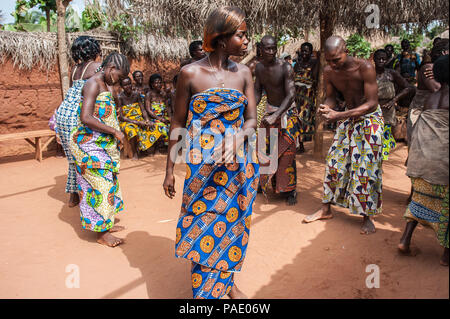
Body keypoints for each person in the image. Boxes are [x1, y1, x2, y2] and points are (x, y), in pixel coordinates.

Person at [163, 6, 258, 299]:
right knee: (201, 219)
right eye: (241, 36)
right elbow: (178, 123)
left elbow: (252, 120)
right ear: (220, 39)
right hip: (201, 166)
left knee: (232, 221)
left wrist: (237, 138)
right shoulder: (190, 73)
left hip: (238, 165)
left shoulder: (244, 73)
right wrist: (169, 170)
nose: (246, 41)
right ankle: (204, 292)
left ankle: (226, 283)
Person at [302, 36, 382, 235]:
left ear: (346, 51)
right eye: (328, 60)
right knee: (334, 162)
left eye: (336, 59)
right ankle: (326, 209)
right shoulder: (329, 71)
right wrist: (325, 108)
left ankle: (367, 217)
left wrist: (339, 115)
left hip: (370, 119)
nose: (332, 64)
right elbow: (331, 97)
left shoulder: (365, 68)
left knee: (366, 168)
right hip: (347, 116)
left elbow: (371, 102)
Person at [69, 52, 129, 247]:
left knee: (109, 182)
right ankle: (102, 234)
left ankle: (106, 223)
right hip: (88, 145)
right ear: (111, 69)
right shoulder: (92, 83)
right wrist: (114, 131)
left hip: (103, 144)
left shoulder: (106, 84)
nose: (119, 81)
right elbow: (86, 117)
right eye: (119, 76)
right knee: (99, 186)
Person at [398, 55, 449, 266]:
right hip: (442, 168)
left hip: (422, 164)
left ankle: (405, 240)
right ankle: (446, 255)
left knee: (419, 200)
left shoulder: (431, 98)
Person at [55, 36, 102, 207]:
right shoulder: (97, 67)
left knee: (72, 156)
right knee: (85, 156)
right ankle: (88, 198)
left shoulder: (74, 69)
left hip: (63, 114)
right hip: (78, 115)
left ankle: (73, 195)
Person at [255, 35, 298, 205]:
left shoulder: (285, 67)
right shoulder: (259, 68)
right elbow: (258, 90)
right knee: (264, 149)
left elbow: (291, 94)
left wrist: (276, 115)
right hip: (270, 111)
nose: (271, 52)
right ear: (261, 49)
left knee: (287, 152)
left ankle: (291, 190)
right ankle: (264, 182)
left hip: (287, 112)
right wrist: (251, 107)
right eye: (267, 48)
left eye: (274, 48)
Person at [373, 49, 416, 160]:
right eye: (379, 58)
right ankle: (373, 162)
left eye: (384, 58)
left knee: (383, 139)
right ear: (374, 59)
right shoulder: (369, 73)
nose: (381, 60)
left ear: (387, 60)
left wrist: (394, 100)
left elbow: (409, 88)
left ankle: (380, 163)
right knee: (372, 138)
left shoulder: (391, 74)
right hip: (372, 111)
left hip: (387, 112)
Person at [407, 39, 449, 143]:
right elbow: (437, 89)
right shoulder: (428, 67)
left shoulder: (441, 70)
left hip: (435, 116)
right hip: (421, 114)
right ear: (444, 52)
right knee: (420, 147)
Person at [118, 76, 160, 158]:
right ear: (122, 87)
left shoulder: (136, 95)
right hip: (126, 121)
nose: (128, 86)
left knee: (155, 126)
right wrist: (138, 122)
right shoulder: (120, 98)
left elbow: (143, 110)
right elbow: (121, 117)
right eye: (125, 85)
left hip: (139, 118)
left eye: (129, 84)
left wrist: (147, 120)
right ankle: (135, 153)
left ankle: (148, 149)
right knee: (131, 130)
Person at [294, 42, 319, 153]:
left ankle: (303, 143)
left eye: (306, 51)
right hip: (297, 96)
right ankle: (300, 144)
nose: (304, 53)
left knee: (304, 119)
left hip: (308, 97)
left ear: (310, 52)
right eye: (303, 50)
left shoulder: (314, 63)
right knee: (297, 119)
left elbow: (315, 77)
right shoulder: (297, 64)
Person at [145, 73, 170, 153]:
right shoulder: (149, 95)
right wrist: (160, 119)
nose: (159, 84)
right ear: (152, 84)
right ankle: (159, 148)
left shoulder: (163, 94)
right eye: (156, 83)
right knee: (162, 127)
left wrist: (169, 117)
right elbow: (148, 110)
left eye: (160, 82)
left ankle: (169, 147)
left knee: (172, 125)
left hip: (164, 117)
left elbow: (167, 107)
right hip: (154, 118)